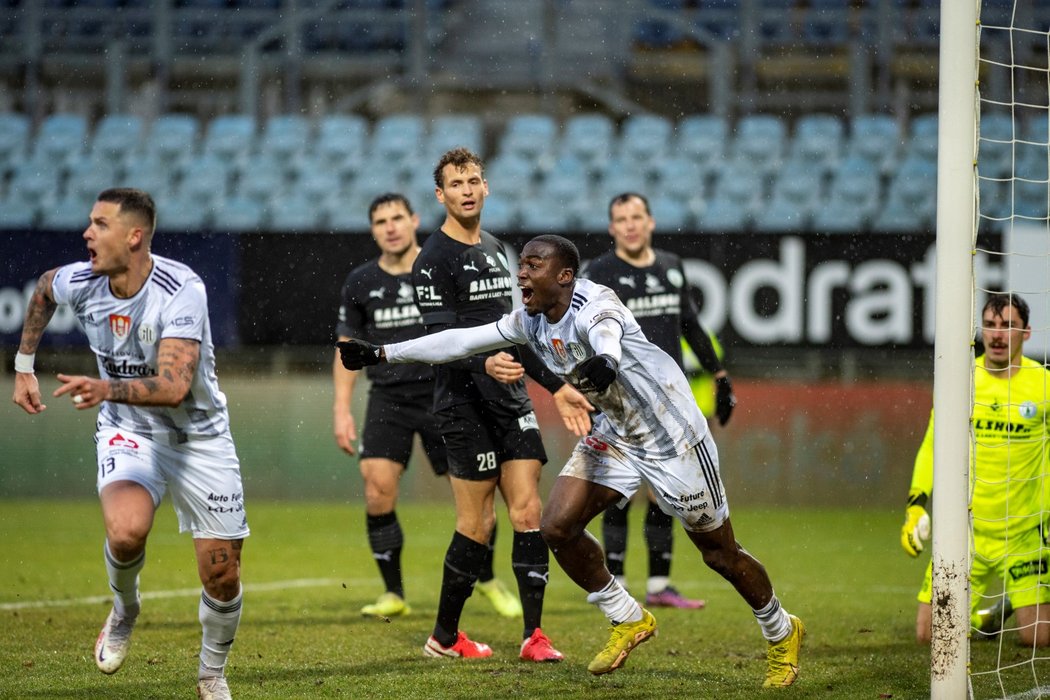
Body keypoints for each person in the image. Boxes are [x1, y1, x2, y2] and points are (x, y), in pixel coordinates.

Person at [338, 234, 805, 687]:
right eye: (520, 264)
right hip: (615, 432)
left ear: (565, 275)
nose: (521, 273)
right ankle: (627, 617)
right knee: (556, 527)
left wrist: (604, 359)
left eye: (533, 265)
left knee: (719, 553)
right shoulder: (529, 318)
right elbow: (461, 341)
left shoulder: (594, 303)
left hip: (672, 436)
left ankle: (781, 630)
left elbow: (607, 331)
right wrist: (383, 352)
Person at [11, 188, 247, 700]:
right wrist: (24, 366)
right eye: (89, 223)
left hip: (200, 437)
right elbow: (45, 290)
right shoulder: (81, 280)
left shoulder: (182, 288)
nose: (86, 234)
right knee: (126, 532)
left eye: (99, 224)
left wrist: (103, 388)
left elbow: (174, 387)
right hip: (130, 430)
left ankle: (211, 673)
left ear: (134, 235)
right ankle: (125, 610)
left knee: (222, 576)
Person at [398, 147, 590, 662]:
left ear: (486, 189)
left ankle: (534, 637)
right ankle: (443, 637)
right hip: (461, 404)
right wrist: (482, 364)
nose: (466, 189)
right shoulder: (431, 260)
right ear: (441, 195)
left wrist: (557, 385)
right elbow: (440, 340)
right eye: (455, 183)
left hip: (510, 398)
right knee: (477, 524)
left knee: (529, 510)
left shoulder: (500, 250)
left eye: (474, 180)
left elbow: (519, 333)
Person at [333, 192, 521, 619]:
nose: (391, 226)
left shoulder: (435, 265)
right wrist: (341, 408)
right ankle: (394, 593)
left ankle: (488, 578)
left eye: (397, 217)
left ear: (414, 219)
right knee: (377, 488)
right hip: (388, 398)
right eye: (381, 221)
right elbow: (346, 348)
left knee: (477, 495)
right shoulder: (360, 282)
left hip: (446, 389)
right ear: (373, 230)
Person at [580, 192, 736, 609]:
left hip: (667, 400)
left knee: (664, 493)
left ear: (650, 222)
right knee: (620, 492)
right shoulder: (599, 272)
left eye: (637, 217)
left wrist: (719, 375)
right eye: (621, 219)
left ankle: (659, 585)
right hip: (620, 399)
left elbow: (690, 323)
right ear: (612, 228)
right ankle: (615, 580)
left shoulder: (670, 267)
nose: (630, 225)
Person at [901, 292, 1050, 646]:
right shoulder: (960, 383)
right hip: (965, 531)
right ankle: (991, 614)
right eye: (991, 325)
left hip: (1024, 533)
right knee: (929, 635)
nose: (998, 334)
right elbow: (932, 445)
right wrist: (915, 505)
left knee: (1038, 638)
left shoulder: (1043, 384)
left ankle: (1010, 604)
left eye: (1008, 326)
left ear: (1026, 333)